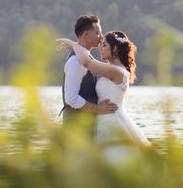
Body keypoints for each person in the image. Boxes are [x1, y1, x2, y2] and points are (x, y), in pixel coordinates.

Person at [57, 28, 151, 156]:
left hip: (112, 122)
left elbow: (86, 61)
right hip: (104, 120)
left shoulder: (117, 71)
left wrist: (73, 44)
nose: (100, 48)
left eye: (105, 45)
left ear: (115, 49)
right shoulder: (111, 68)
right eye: (100, 44)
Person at [60, 14, 118, 134]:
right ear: (86, 34)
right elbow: (71, 99)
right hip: (76, 128)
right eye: (97, 33)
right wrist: (98, 109)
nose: (101, 37)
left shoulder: (85, 57)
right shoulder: (76, 61)